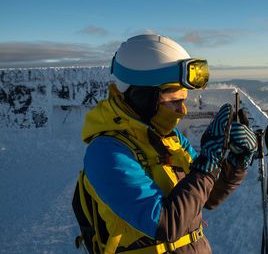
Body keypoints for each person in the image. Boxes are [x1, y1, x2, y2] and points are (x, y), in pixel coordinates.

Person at [73, 34, 257, 254]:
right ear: (143, 97)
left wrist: (236, 163)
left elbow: (205, 197)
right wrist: (208, 161)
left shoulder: (170, 138)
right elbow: (165, 225)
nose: (183, 111)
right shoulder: (106, 152)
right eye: (173, 102)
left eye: (184, 100)